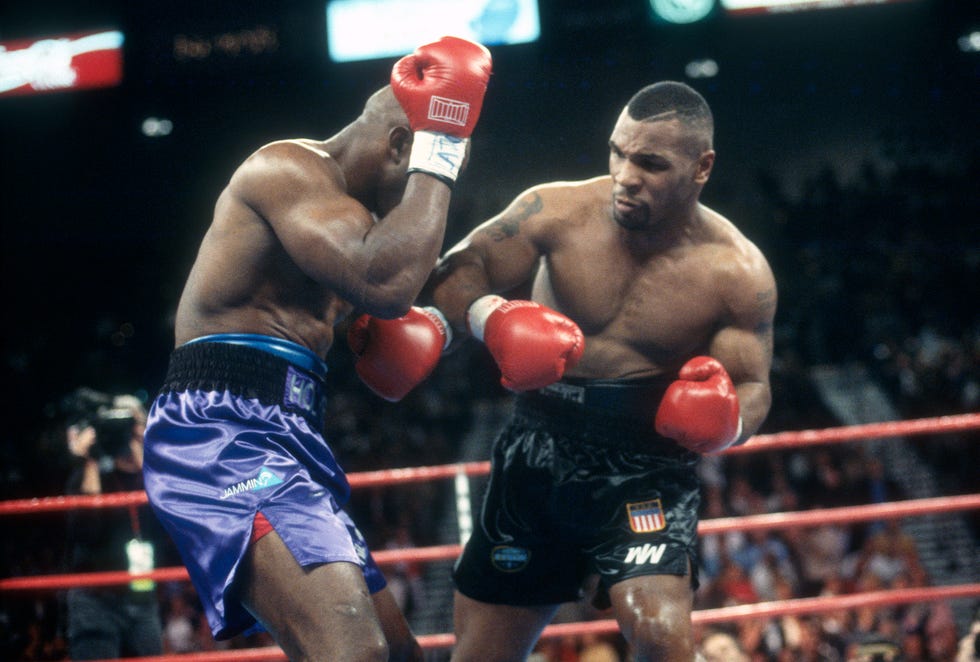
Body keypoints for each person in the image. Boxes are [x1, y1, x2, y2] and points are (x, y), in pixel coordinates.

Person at [352, 80, 776, 660]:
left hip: (646, 463)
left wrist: (726, 422)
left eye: (650, 163)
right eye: (618, 152)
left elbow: (753, 385)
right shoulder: (555, 210)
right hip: (538, 447)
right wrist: (482, 319)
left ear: (701, 167)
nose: (627, 175)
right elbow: (465, 267)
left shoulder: (737, 272)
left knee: (660, 637)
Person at [141, 36, 492, 661]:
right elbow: (386, 285)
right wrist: (445, 148)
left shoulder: (349, 223)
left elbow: (426, 283)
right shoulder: (287, 170)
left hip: (293, 427)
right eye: (429, 173)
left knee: (397, 652)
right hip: (218, 433)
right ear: (399, 148)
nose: (433, 194)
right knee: (351, 649)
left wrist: (480, 318)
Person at [61, 388, 169, 660]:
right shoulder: (90, 475)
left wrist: (142, 452)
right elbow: (85, 532)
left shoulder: (156, 477)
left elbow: (166, 524)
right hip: (94, 597)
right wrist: (89, 461)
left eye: (132, 425)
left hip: (142, 595)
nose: (126, 432)